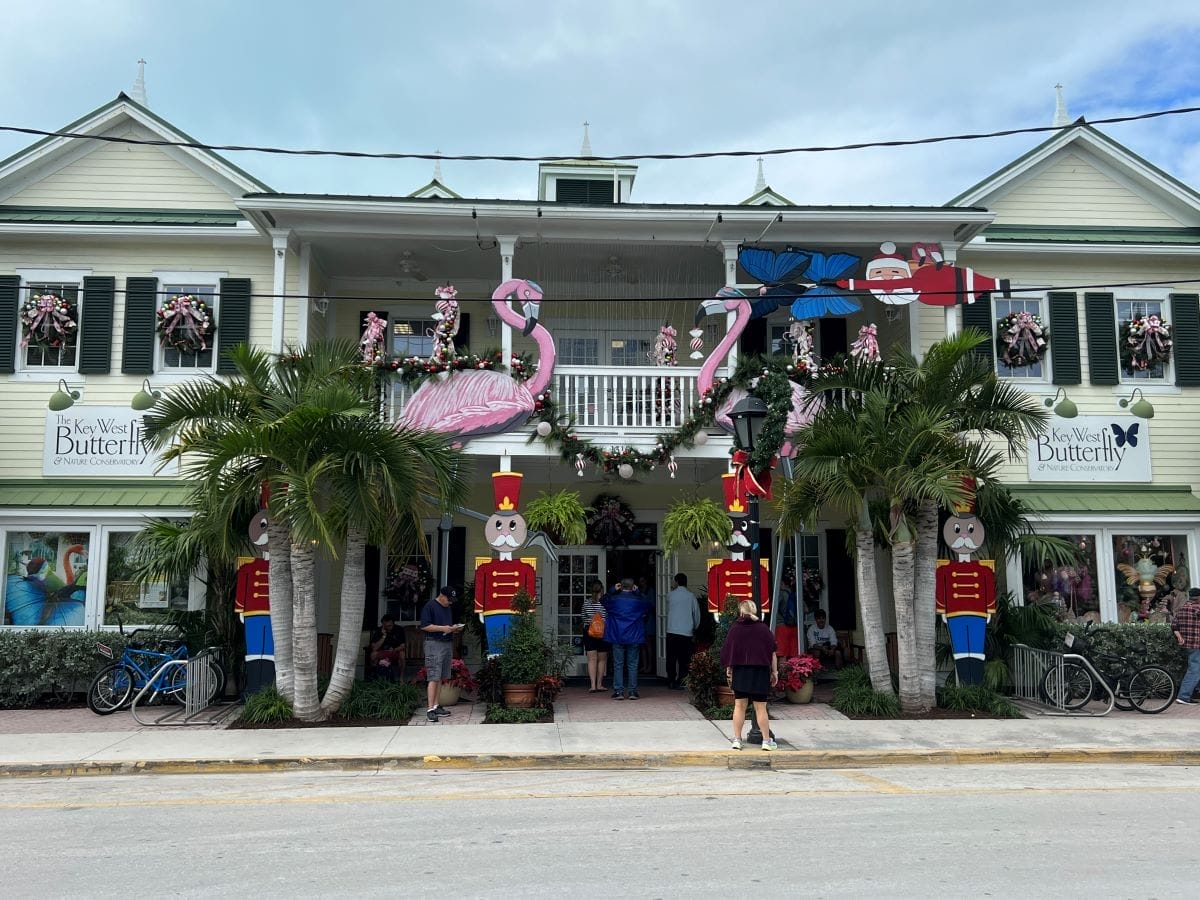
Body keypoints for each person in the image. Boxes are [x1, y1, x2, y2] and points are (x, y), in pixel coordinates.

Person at [720, 599, 778, 751]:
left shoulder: (735, 629)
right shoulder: (763, 629)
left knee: (739, 706)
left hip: (740, 671)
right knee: (760, 708)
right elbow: (772, 653)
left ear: (741, 612)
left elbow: (728, 650)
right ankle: (766, 741)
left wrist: (729, 668)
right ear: (754, 611)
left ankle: (737, 740)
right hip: (760, 672)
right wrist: (775, 672)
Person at [601, 577, 653, 700]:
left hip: (618, 635)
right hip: (633, 636)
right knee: (633, 664)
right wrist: (639, 592)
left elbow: (602, 600)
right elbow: (649, 604)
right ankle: (632, 692)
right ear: (633, 586)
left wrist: (612, 590)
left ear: (621, 586)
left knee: (618, 664)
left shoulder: (614, 599)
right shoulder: (638, 600)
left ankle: (619, 692)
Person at [419, 586, 465, 722]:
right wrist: (443, 628)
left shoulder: (448, 608)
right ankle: (430, 709)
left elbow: (446, 625)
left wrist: (453, 629)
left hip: (446, 642)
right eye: (448, 599)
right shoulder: (430, 606)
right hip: (434, 643)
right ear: (442, 596)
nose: (450, 602)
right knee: (433, 676)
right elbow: (425, 626)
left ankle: (437, 705)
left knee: (440, 676)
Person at [665, 573, 700, 690]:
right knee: (684, 659)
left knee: (671, 657)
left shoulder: (670, 595)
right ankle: (682, 680)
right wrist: (694, 626)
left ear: (676, 582)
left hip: (672, 630)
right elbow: (696, 614)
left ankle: (670, 680)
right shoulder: (691, 596)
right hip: (686, 631)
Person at [1172, 587, 1200, 704]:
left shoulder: (1182, 609)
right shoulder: (1197, 608)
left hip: (1187, 644)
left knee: (1196, 669)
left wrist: (1180, 637)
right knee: (1194, 670)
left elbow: (1174, 626)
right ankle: (1183, 696)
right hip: (1197, 644)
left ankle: (1195, 693)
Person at [581, 580, 609, 692]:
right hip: (603, 631)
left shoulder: (586, 603)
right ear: (601, 590)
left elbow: (583, 617)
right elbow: (608, 617)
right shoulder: (605, 603)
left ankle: (592, 685)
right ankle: (599, 684)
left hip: (589, 631)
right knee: (602, 660)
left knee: (591, 659)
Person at [367, 614, 406, 679]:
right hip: (382, 652)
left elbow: (403, 646)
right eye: (385, 626)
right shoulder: (378, 631)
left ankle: (401, 679)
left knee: (402, 654)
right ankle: (374, 677)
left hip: (394, 651)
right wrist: (384, 636)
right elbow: (374, 648)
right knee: (373, 655)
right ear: (383, 624)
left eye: (390, 626)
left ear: (393, 623)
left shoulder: (399, 629)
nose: (388, 627)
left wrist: (394, 649)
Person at [776, 570, 799, 659]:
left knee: (782, 654)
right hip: (794, 626)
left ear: (782, 583)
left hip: (781, 626)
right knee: (793, 654)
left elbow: (773, 607)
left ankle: (783, 673)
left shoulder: (781, 594)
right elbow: (806, 609)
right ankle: (793, 672)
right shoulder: (795, 594)